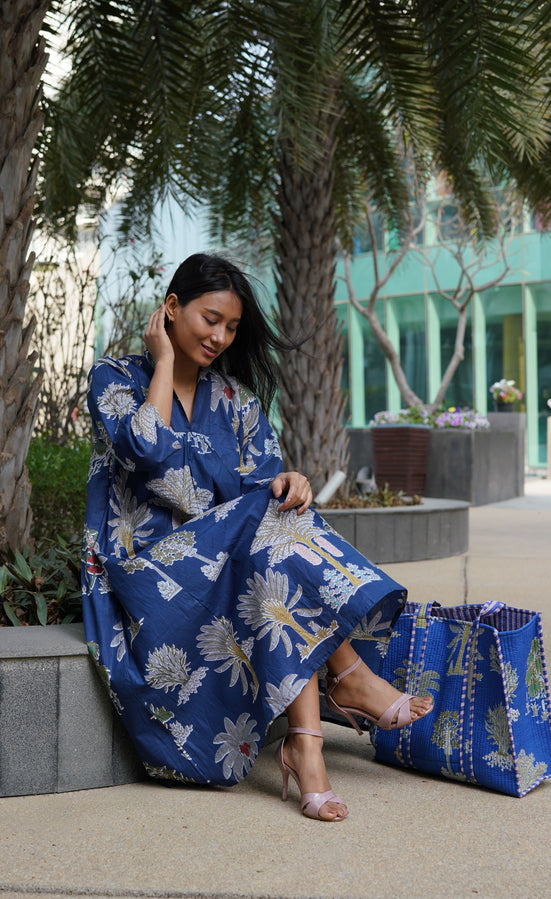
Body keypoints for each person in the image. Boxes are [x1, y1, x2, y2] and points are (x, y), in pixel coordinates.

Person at [82, 252, 432, 822]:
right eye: (209, 319)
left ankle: (308, 749)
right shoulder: (115, 378)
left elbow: (260, 487)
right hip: (145, 574)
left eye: (232, 327)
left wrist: (288, 480)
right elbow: (144, 450)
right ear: (171, 309)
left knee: (277, 522)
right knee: (264, 527)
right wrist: (164, 361)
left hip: (221, 569)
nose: (220, 336)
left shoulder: (235, 401)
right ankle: (349, 679)